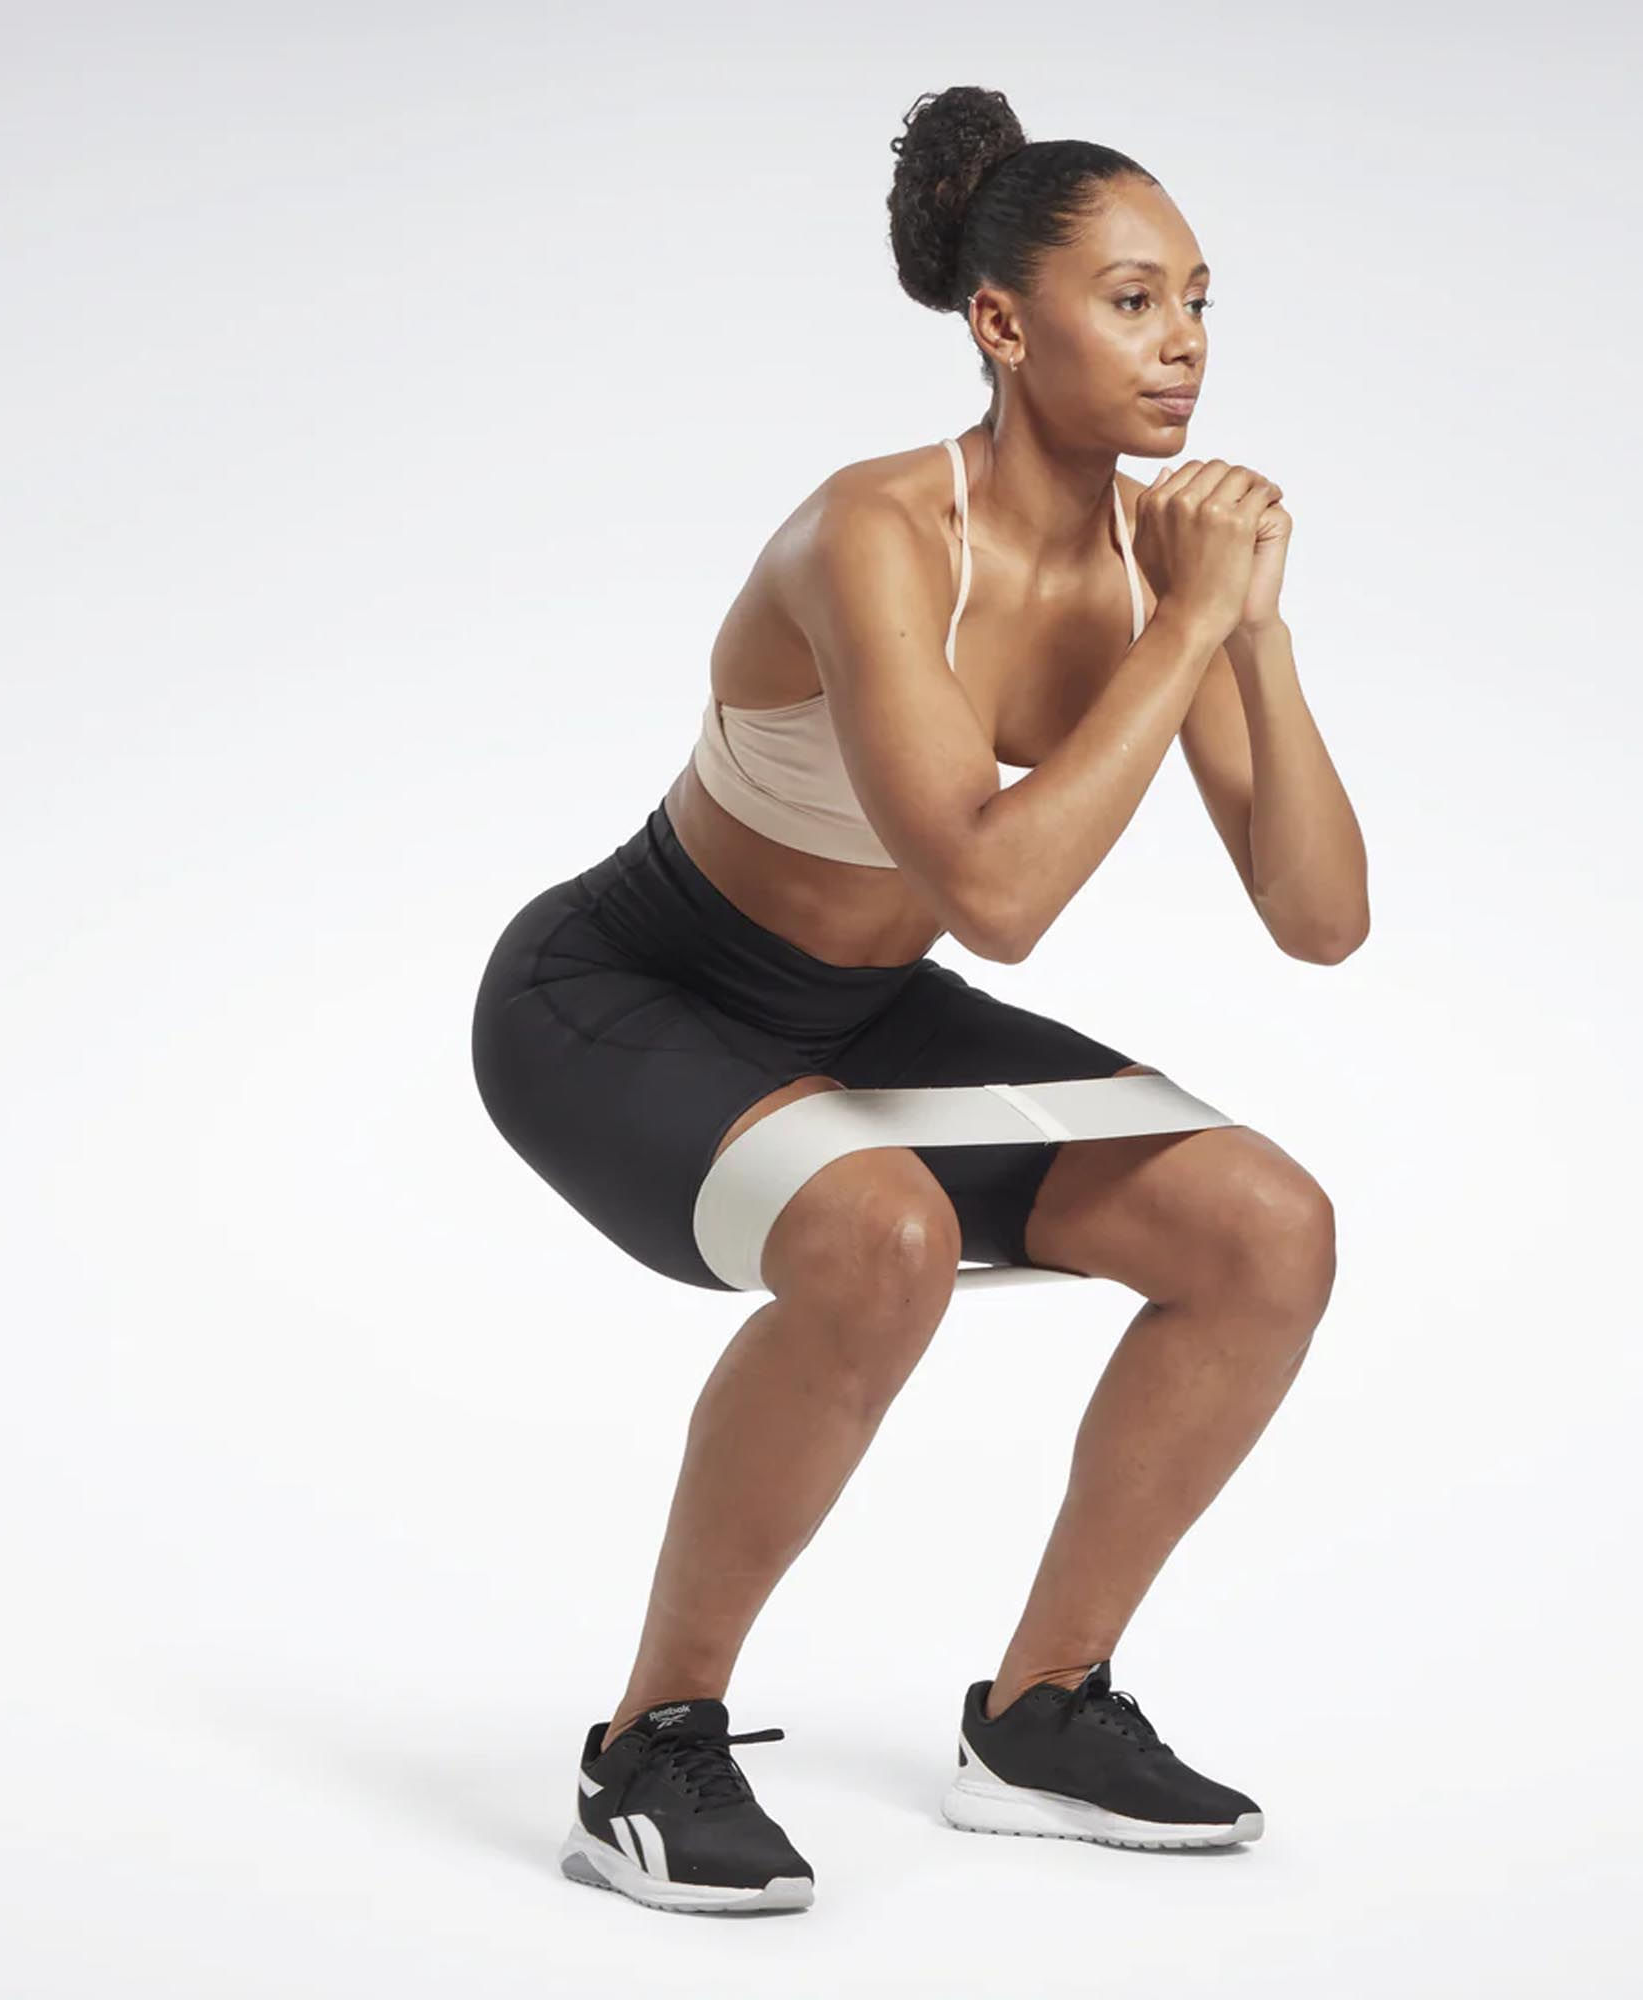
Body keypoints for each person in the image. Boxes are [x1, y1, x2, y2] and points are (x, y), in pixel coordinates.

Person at [471, 83, 1368, 1916]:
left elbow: (1320, 917)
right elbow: (1000, 897)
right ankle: (649, 1744)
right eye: (1134, 300)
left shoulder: (1165, 573)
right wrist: (1186, 627)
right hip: (625, 992)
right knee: (879, 1237)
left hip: (868, 1017)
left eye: (1201, 299)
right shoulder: (870, 532)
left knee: (1265, 1229)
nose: (1185, 343)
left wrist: (1252, 632)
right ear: (1003, 323)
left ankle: (1042, 1715)